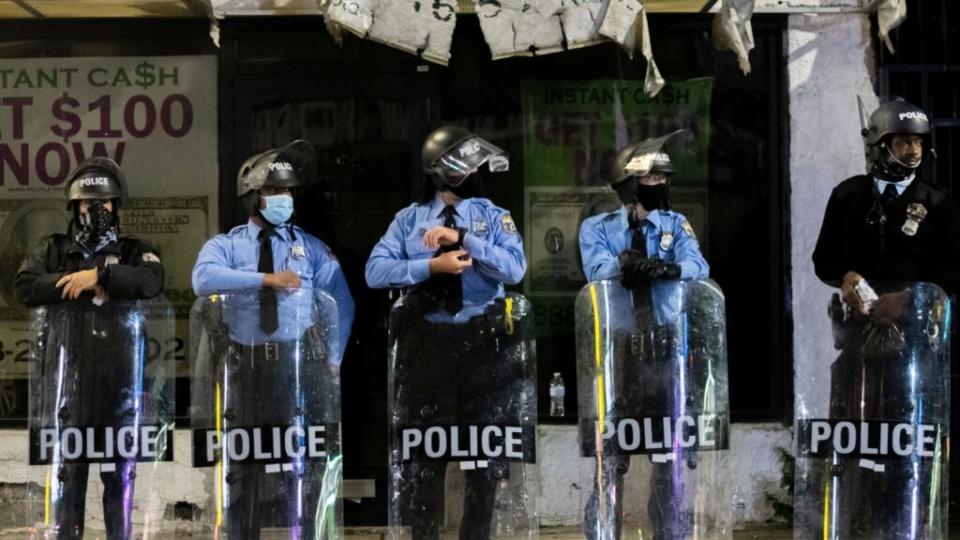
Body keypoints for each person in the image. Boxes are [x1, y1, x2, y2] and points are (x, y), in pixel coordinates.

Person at [366, 125, 528, 539]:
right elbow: (375, 272)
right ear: (449, 173)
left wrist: (465, 239)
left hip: (484, 344)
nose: (478, 176)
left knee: (485, 461)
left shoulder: (493, 215)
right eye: (470, 169)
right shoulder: (408, 220)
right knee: (425, 457)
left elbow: (515, 269)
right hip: (429, 347)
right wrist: (428, 268)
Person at [808, 98, 959, 537]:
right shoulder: (848, 195)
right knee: (854, 441)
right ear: (879, 144)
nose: (913, 151)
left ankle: (902, 525)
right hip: (855, 343)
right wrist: (845, 275)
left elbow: (955, 267)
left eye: (918, 143)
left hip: (912, 347)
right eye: (903, 142)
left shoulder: (936, 202)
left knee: (904, 443)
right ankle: (855, 524)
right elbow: (823, 258)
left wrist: (909, 300)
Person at [191, 140, 354, 538]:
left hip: (295, 365)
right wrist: (265, 279)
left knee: (299, 464)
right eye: (274, 191)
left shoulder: (311, 248)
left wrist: (334, 359)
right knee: (242, 467)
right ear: (252, 197)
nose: (284, 198)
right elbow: (203, 280)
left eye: (288, 191)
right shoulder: (225, 246)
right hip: (243, 368)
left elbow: (343, 302)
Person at [16, 157, 165, 539]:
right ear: (73, 206)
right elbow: (25, 286)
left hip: (120, 383)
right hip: (69, 381)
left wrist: (101, 276)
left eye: (104, 204)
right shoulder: (53, 248)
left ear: (116, 206)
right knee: (69, 478)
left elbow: (150, 281)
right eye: (86, 203)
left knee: (118, 479)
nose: (95, 211)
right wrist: (74, 280)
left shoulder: (133, 249)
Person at [578, 133, 708, 540]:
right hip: (620, 353)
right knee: (612, 458)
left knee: (668, 458)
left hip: (667, 350)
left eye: (664, 178)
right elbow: (595, 270)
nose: (662, 184)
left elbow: (697, 265)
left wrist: (668, 269)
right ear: (629, 182)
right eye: (652, 177)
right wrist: (623, 263)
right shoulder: (596, 227)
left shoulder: (675, 224)